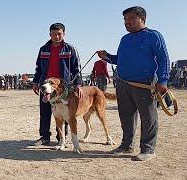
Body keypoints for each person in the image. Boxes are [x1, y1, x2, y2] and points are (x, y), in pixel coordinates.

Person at [97, 6, 170, 161]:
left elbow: (164, 59)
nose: (126, 22)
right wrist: (107, 57)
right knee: (126, 116)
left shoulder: (154, 36)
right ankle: (126, 145)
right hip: (123, 84)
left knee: (148, 117)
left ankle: (148, 150)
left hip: (145, 83)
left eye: (130, 18)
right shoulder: (125, 39)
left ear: (142, 18)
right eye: (124, 19)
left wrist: (163, 80)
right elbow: (120, 60)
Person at [32, 23, 83, 146]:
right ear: (50, 34)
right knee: (44, 111)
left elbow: (77, 68)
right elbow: (38, 67)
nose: (56, 36)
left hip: (63, 88)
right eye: (54, 34)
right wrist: (35, 82)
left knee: (63, 112)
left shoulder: (70, 49)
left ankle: (62, 138)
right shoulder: (43, 49)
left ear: (64, 34)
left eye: (59, 34)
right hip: (46, 86)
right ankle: (44, 137)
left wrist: (78, 84)